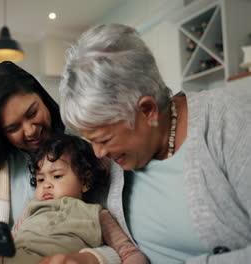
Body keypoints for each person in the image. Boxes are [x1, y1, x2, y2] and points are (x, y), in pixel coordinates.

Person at [51, 23, 251, 264]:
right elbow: (135, 248)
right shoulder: (116, 164)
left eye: (104, 139)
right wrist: (91, 260)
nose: (98, 152)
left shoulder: (232, 120)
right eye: (90, 140)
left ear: (147, 110)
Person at [0, 61, 119, 263]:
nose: (30, 130)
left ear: (42, 98)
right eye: (13, 128)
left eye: (32, 113)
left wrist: (86, 259)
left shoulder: (89, 151)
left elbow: (119, 242)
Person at [0, 134, 149, 264]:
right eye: (40, 179)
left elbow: (130, 252)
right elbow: (11, 241)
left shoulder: (97, 214)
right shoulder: (31, 209)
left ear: (85, 181)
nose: (46, 184)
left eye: (57, 176)